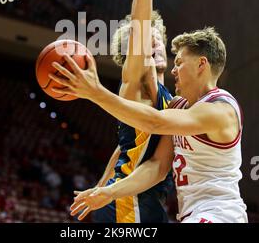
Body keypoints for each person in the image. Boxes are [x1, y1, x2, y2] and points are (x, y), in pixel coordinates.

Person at [50, 22, 248, 222]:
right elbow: (157, 167)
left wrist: (95, 92)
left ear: (201, 64)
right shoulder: (178, 107)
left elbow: (155, 122)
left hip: (220, 213)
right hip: (194, 214)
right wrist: (110, 191)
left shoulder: (221, 109)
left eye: (179, 62)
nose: (174, 70)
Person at [64, 0, 179, 223]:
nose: (151, 41)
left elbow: (124, 151)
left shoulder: (167, 97)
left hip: (137, 201)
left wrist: (101, 188)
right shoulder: (136, 84)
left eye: (157, 36)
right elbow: (139, 30)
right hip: (129, 205)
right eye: (142, 41)